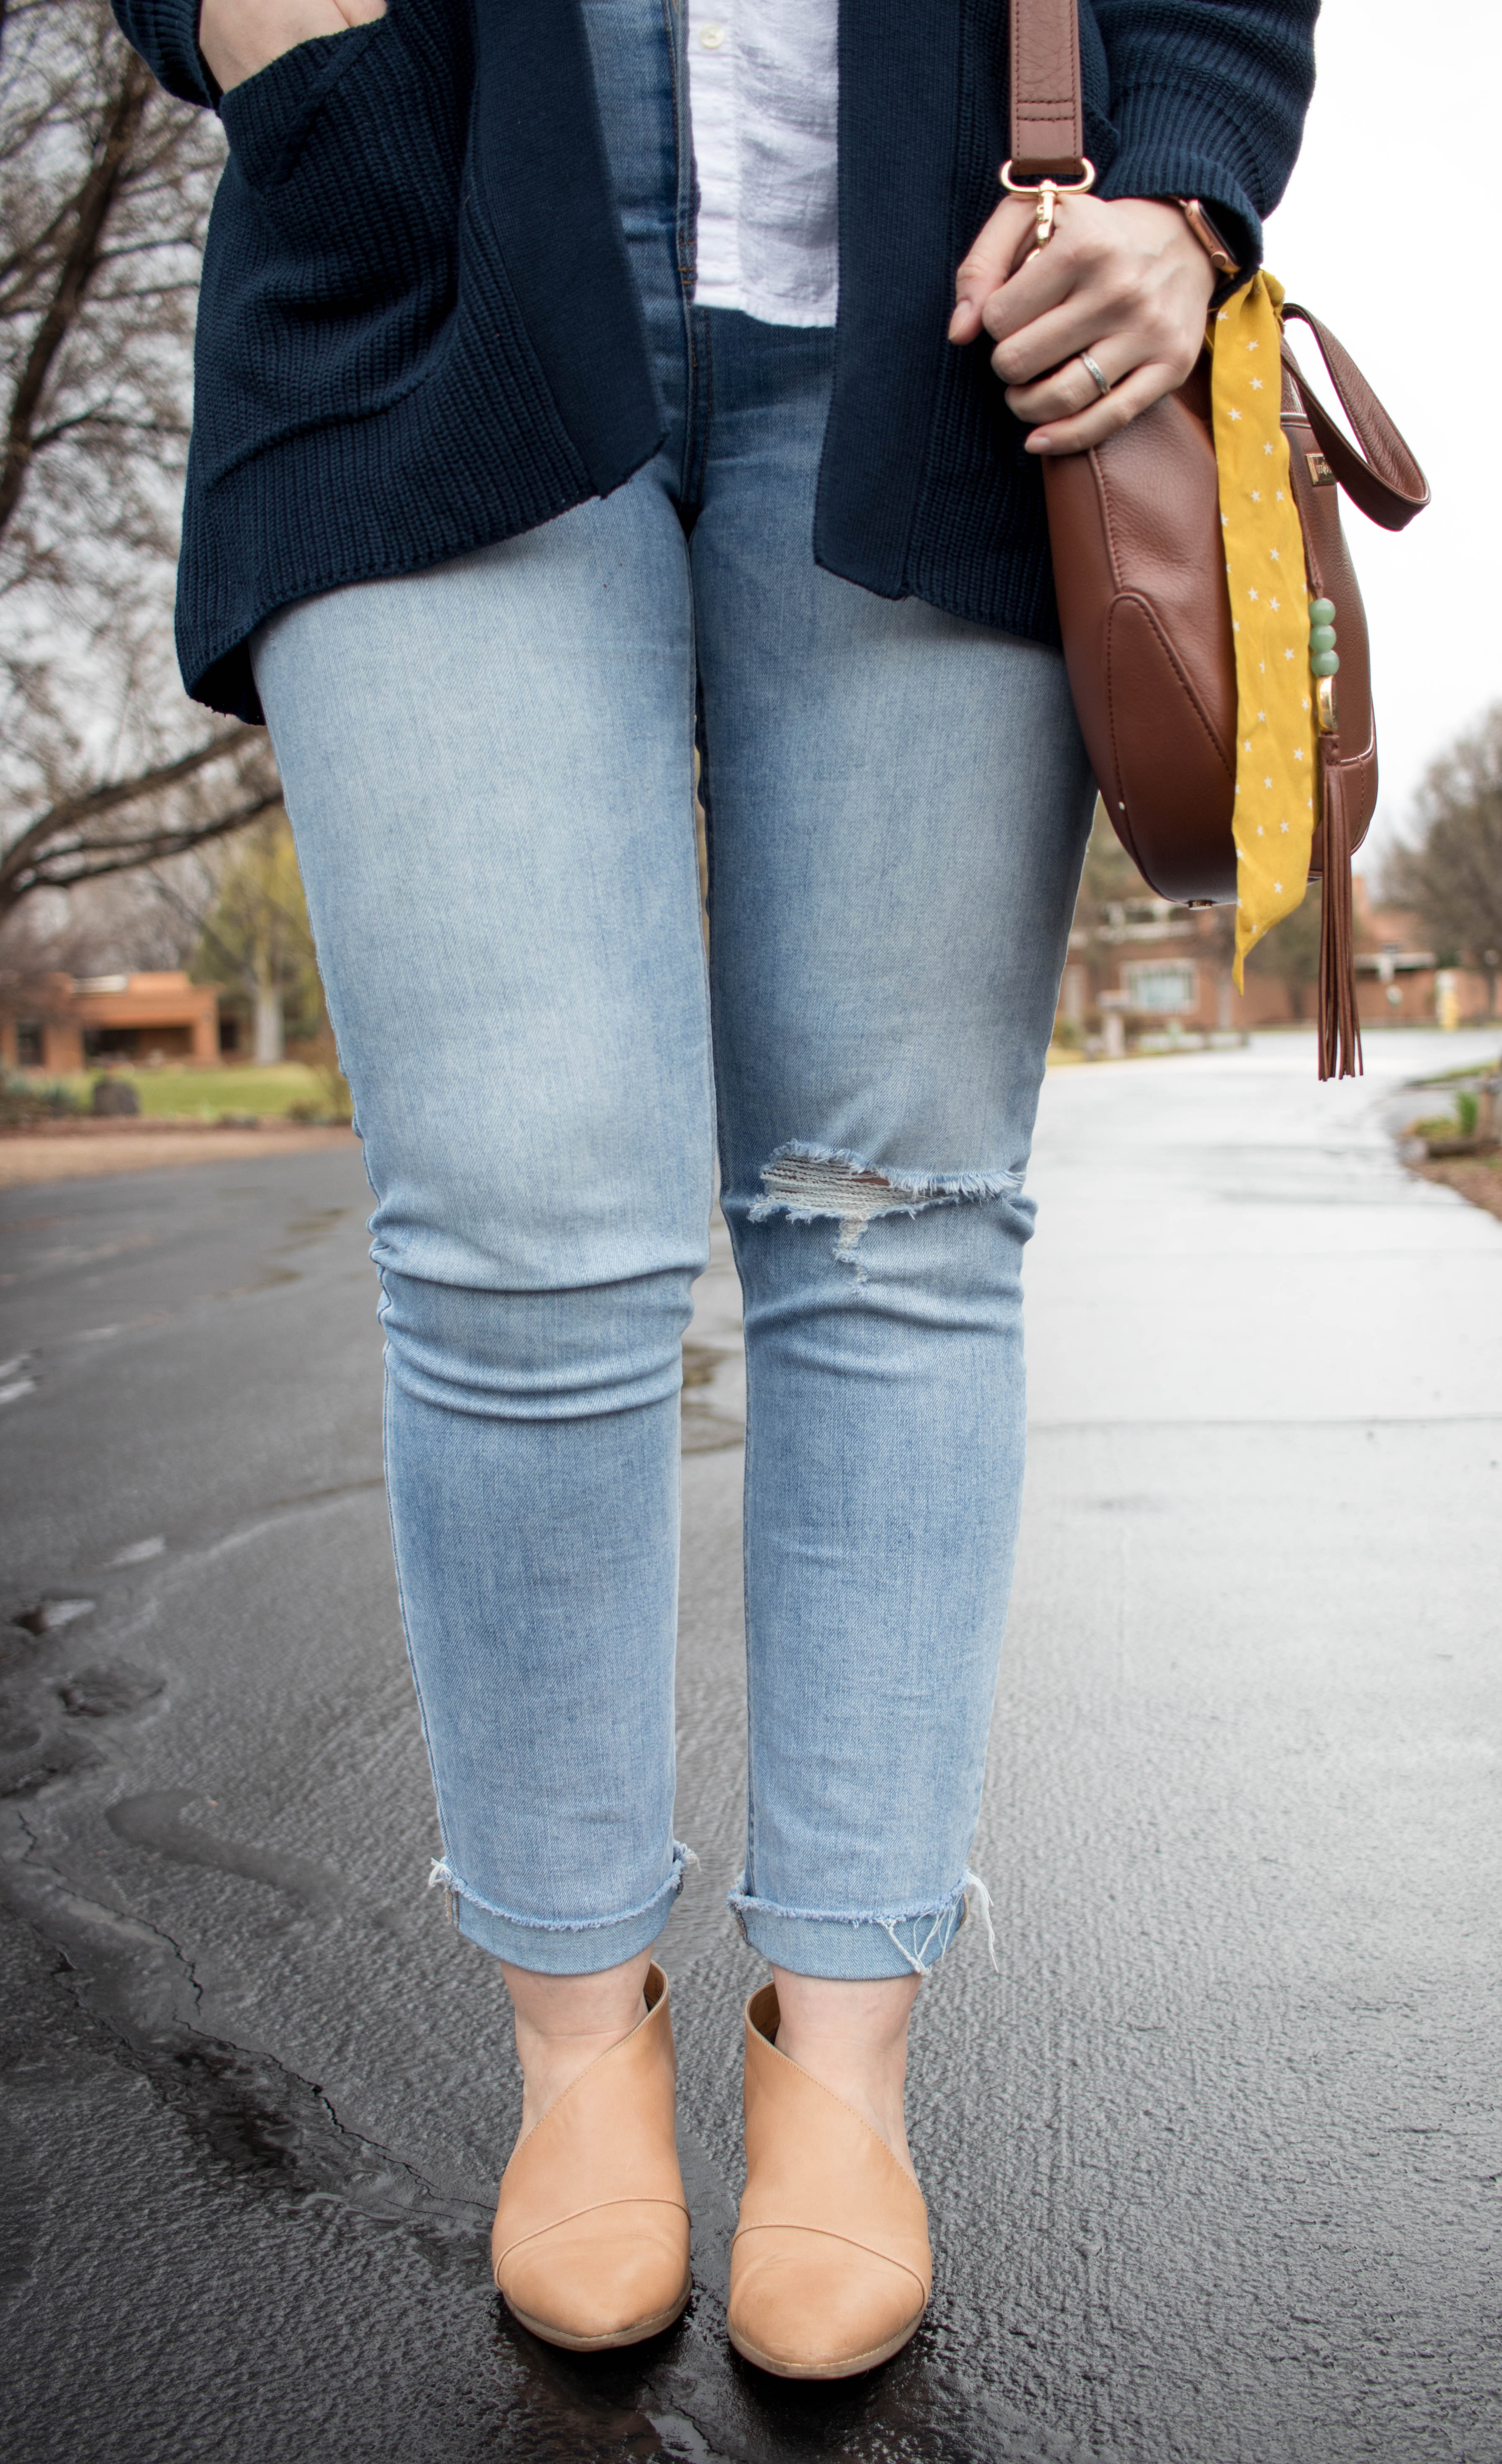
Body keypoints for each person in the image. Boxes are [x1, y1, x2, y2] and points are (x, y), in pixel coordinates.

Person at [114, 0, 1316, 2381]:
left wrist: (1180, 189)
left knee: (893, 1224)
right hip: (418, 255)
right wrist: (288, 51)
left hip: (968, 292)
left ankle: (839, 2068)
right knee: (518, 1246)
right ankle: (578, 2056)